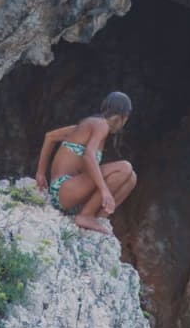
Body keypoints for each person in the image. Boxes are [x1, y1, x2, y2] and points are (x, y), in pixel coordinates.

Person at [35, 92, 137, 234]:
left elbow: (50, 136)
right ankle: (86, 215)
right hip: (64, 189)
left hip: (71, 192)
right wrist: (104, 190)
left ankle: (98, 218)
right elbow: (88, 156)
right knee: (124, 168)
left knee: (131, 178)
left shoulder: (85, 126)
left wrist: (41, 173)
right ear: (123, 117)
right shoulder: (101, 125)